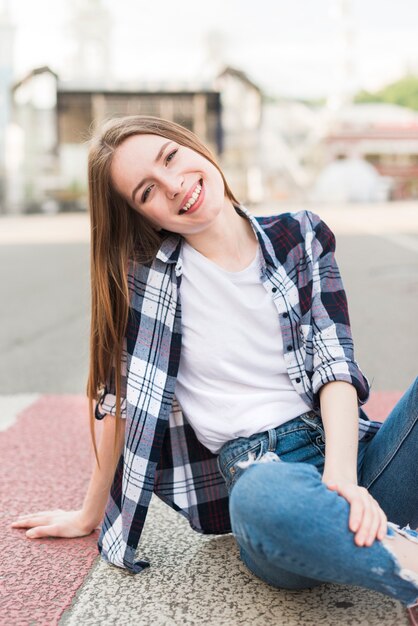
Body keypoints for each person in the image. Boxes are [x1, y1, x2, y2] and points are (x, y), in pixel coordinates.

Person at [12, 116, 418, 619]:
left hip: (353, 459)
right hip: (267, 479)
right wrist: (90, 513)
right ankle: (405, 559)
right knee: (262, 497)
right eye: (147, 191)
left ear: (191, 145)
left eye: (170, 157)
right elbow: (120, 403)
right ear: (144, 217)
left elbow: (334, 361)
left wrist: (342, 477)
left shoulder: (301, 234)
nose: (174, 185)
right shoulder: (142, 286)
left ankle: (385, 544)